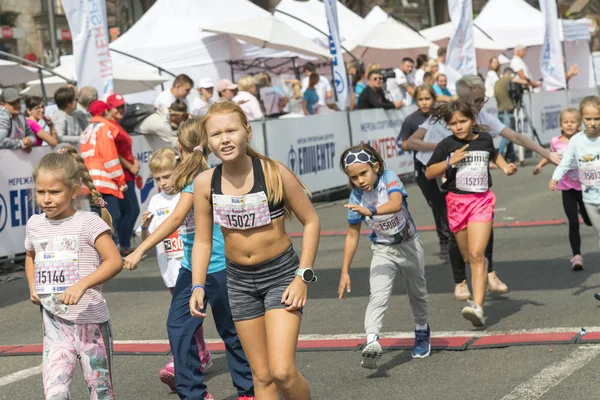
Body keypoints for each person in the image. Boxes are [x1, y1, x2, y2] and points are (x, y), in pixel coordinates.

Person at [189, 101, 320, 400]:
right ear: (207, 142)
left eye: (231, 130)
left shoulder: (274, 173)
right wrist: (198, 284)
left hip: (281, 276)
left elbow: (311, 221)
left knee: (283, 372)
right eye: (216, 134)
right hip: (238, 281)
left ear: (247, 131)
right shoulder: (205, 183)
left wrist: (303, 276)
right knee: (261, 376)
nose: (224, 139)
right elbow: (203, 241)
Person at [124, 119, 255, 400]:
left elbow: (174, 219)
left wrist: (139, 249)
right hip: (193, 267)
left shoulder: (203, 179)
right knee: (191, 328)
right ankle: (213, 392)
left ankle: (242, 390)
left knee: (223, 330)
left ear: (180, 147)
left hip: (219, 267)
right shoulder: (201, 177)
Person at [406, 75, 560, 301]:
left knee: (483, 223)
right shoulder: (443, 116)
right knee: (454, 230)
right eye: (476, 101)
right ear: (462, 99)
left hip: (469, 176)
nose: (480, 105)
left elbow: (515, 136)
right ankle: (460, 280)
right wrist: (446, 149)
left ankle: (489, 273)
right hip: (434, 172)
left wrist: (546, 153)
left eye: (482, 99)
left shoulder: (482, 119)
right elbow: (411, 142)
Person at [25, 149, 123, 399]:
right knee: (55, 393)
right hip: (55, 327)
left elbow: (114, 261)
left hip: (91, 325)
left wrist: (82, 285)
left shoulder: (88, 222)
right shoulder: (35, 224)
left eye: (55, 192)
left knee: (101, 393)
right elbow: (30, 255)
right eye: (41, 192)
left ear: (75, 188)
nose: (46, 199)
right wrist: (32, 286)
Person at [337, 143, 430, 369]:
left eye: (363, 173)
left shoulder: (389, 178)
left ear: (376, 167)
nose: (360, 180)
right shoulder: (356, 196)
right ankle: (371, 341)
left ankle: (421, 330)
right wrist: (344, 271)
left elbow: (396, 204)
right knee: (378, 295)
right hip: (382, 249)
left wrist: (372, 211)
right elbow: (352, 235)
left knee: (417, 293)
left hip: (409, 245)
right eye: (354, 177)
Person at [425, 99, 517, 326]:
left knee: (477, 255)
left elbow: (493, 154)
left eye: (463, 121)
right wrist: (449, 161)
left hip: (481, 201)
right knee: (468, 256)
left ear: (472, 120)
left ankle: (477, 307)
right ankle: (480, 281)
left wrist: (505, 166)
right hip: (457, 203)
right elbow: (429, 173)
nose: (458, 126)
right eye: (453, 123)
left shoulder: (484, 139)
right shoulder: (446, 145)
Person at [134, 147, 212, 391]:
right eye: (157, 178)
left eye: (166, 176)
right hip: (169, 269)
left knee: (190, 316)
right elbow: (145, 237)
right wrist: (146, 227)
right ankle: (200, 353)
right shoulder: (156, 201)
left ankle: (190, 358)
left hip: (192, 267)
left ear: (179, 171)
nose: (162, 182)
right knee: (186, 316)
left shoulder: (188, 195)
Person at [551, 97, 600, 286]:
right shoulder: (577, 141)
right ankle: (576, 255)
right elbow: (564, 161)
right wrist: (555, 177)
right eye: (588, 119)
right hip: (588, 198)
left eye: (597, 118)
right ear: (583, 119)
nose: (593, 123)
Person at [534, 109, 591, 270]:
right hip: (567, 188)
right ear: (560, 125)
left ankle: (585, 213)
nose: (569, 124)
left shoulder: (583, 140)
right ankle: (577, 256)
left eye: (573, 122)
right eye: (566, 122)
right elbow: (550, 156)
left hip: (585, 186)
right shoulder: (555, 142)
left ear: (579, 125)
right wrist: (539, 165)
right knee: (573, 222)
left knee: (588, 220)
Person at [399, 86, 450, 257]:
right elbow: (405, 144)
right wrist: (431, 146)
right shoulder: (411, 120)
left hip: (445, 166)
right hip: (423, 168)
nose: (425, 103)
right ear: (415, 101)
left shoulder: (442, 115)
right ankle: (444, 239)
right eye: (421, 99)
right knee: (436, 204)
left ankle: (454, 237)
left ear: (434, 99)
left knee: (448, 201)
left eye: (428, 99)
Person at [80, 100, 127, 246]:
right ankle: (109, 250)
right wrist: (120, 180)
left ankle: (99, 250)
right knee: (113, 217)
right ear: (105, 112)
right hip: (104, 181)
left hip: (89, 182)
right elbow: (110, 158)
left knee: (97, 218)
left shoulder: (86, 131)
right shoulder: (104, 128)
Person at [106, 94, 140, 256]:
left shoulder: (117, 125)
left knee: (128, 211)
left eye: (122, 106)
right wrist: (130, 166)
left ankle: (122, 245)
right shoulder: (111, 127)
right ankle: (122, 244)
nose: (120, 110)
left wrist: (134, 162)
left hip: (127, 173)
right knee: (132, 210)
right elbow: (113, 152)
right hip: (122, 175)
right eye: (117, 107)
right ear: (109, 109)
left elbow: (123, 151)